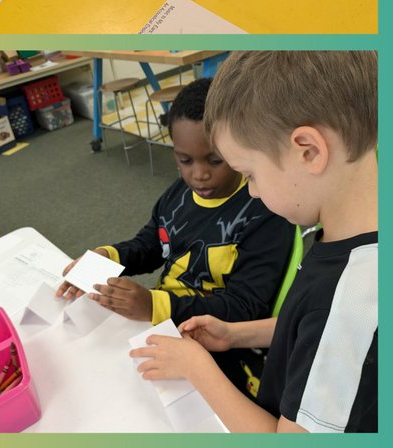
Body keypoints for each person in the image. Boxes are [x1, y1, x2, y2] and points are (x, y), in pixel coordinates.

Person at [130, 51, 377, 433]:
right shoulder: (345, 229)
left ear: (309, 151)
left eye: (250, 173)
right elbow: (306, 328)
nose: (252, 191)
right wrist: (236, 334)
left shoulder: (350, 302)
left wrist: (197, 368)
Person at [56, 78, 292, 396]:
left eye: (215, 160)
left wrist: (156, 305)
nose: (199, 174)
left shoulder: (266, 213)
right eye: (185, 160)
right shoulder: (178, 195)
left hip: (217, 343)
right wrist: (108, 256)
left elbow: (245, 308)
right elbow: (151, 245)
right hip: (160, 318)